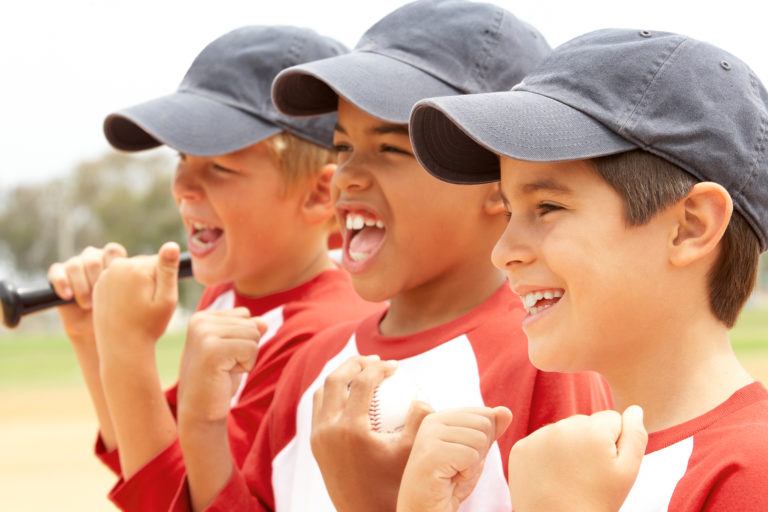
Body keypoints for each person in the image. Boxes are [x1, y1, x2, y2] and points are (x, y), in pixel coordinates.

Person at [172, 2, 611, 511]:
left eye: (393, 150)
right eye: (342, 149)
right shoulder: (316, 363)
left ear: (499, 183)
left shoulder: (548, 363)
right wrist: (203, 430)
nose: (349, 176)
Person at [400, 27, 768, 511]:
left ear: (690, 227)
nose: (503, 251)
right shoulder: (567, 466)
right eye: (510, 212)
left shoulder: (750, 471)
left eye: (548, 206)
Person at [47, 25, 381, 511]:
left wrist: (127, 353)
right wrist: (93, 339)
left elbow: (169, 501)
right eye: (183, 157)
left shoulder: (321, 334)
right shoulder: (230, 291)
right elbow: (152, 458)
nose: (182, 185)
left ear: (317, 194)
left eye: (220, 168)